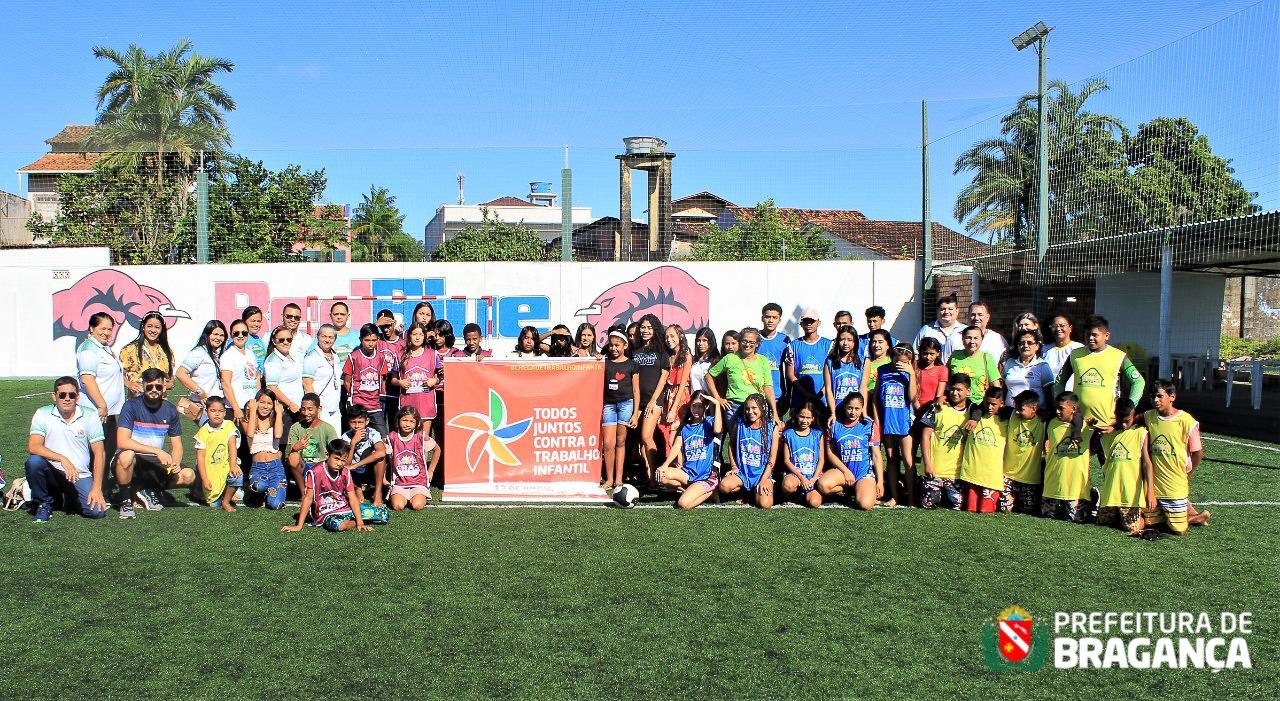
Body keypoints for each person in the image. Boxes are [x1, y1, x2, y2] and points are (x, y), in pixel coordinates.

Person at [25, 376, 109, 522]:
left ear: (78, 397)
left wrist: (96, 488)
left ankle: (68, 497)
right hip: (53, 471)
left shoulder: (90, 415)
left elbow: (99, 453)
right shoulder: (42, 414)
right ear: (54, 396)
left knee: (97, 512)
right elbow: (34, 446)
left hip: (80, 475)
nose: (67, 399)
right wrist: (62, 459)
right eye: (62, 395)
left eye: (71, 395)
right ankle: (44, 503)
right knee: (34, 462)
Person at [114, 368, 195, 518]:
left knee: (188, 475)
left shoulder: (170, 410)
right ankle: (126, 499)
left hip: (153, 462)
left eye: (158, 386)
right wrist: (156, 451)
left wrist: (175, 463)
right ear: (143, 385)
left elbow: (177, 445)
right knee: (127, 456)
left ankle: (145, 488)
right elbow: (122, 441)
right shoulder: (131, 406)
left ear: (164, 387)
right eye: (149, 386)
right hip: (133, 458)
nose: (154, 390)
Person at [1054, 315, 1146, 427]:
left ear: (1106, 336)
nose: (1090, 338)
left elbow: (1139, 382)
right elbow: (1059, 382)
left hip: (1107, 422)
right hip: (1079, 423)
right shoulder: (1075, 355)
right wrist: (1063, 405)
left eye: (1094, 335)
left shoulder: (1119, 356)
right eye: (1088, 335)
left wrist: (1130, 406)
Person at [1140, 380, 1206, 535]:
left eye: (1159, 396)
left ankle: (1195, 517)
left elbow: (1198, 453)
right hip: (1153, 486)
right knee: (1150, 524)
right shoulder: (1149, 416)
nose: (1155, 400)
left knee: (1178, 531)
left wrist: (1186, 475)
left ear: (1172, 397)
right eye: (1152, 397)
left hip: (1174, 485)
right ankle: (1185, 511)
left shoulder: (1186, 421)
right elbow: (1130, 420)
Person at [281, 440, 389, 533]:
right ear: (327, 455)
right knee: (338, 525)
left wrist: (361, 523)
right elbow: (308, 498)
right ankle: (354, 521)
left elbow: (352, 497)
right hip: (327, 512)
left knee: (384, 515)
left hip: (345, 508)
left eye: (343, 460)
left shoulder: (345, 472)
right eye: (336, 459)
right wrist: (299, 525)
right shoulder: (315, 472)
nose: (339, 463)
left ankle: (358, 519)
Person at [655, 391, 723, 509]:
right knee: (661, 475)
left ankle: (711, 491)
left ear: (706, 407)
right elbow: (676, 447)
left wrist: (716, 404)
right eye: (694, 406)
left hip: (706, 475)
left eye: (700, 406)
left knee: (683, 504)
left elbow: (717, 430)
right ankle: (691, 489)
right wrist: (665, 465)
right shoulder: (686, 427)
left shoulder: (710, 422)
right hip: (688, 473)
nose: (696, 409)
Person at [1096, 399, 1154, 535]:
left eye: (1127, 421)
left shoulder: (1140, 433)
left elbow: (1147, 463)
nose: (1123, 424)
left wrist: (1150, 491)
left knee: (1132, 528)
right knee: (1102, 523)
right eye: (1120, 420)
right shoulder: (1107, 436)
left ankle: (1143, 516)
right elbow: (1098, 454)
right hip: (1111, 491)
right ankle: (1096, 498)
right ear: (1115, 414)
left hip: (1130, 494)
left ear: (1134, 415)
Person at [817, 392, 882, 510]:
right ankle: (846, 489)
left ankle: (859, 488)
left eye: (857, 408)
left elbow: (876, 455)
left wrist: (880, 482)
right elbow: (829, 453)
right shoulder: (834, 425)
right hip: (842, 471)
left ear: (862, 408)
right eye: (850, 408)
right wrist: (846, 471)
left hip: (863, 473)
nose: (853, 412)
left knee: (865, 505)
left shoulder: (870, 425)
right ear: (845, 407)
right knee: (823, 486)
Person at [76, 311, 125, 460]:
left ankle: (101, 482)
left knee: (108, 450)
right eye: (102, 328)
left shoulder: (103, 348)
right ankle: (96, 483)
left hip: (107, 412)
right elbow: (87, 379)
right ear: (92, 328)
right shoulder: (88, 350)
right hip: (97, 412)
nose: (106, 333)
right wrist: (102, 405)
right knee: (99, 454)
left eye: (109, 329)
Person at [919, 374, 971, 510]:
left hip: (956, 473)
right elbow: (924, 437)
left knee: (959, 505)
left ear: (968, 391)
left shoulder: (972, 412)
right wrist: (927, 463)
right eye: (952, 389)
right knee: (928, 505)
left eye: (959, 390)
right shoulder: (938, 408)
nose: (955, 393)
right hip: (934, 470)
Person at [1041, 392, 1096, 523]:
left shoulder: (1088, 427)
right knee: (1047, 517)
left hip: (1076, 489)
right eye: (1056, 408)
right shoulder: (1051, 423)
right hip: (1052, 487)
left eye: (1061, 408)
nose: (1057, 411)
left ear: (1074, 409)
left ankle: (1093, 497)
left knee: (1075, 520)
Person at [717, 393, 778, 509]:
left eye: (754, 408)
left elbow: (772, 458)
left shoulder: (772, 427)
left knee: (765, 504)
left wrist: (764, 479)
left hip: (762, 474)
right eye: (747, 409)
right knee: (724, 486)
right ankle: (745, 490)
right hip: (743, 473)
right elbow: (731, 444)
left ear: (763, 408)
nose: (750, 412)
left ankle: (753, 492)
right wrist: (734, 467)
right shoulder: (740, 423)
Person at [875, 343, 918, 507]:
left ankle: (912, 497)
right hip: (887, 420)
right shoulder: (883, 370)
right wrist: (878, 419)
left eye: (904, 362)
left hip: (904, 422)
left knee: (908, 460)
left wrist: (911, 375)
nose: (899, 365)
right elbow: (876, 398)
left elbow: (912, 397)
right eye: (897, 361)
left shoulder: (910, 373)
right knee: (892, 459)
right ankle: (894, 496)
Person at [707, 327, 779, 422]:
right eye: (744, 341)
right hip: (734, 408)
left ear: (757, 344)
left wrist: (775, 413)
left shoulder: (763, 361)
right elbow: (708, 376)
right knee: (735, 436)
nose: (747, 345)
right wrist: (718, 398)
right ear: (740, 342)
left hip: (757, 407)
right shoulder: (730, 358)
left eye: (751, 342)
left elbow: (768, 387)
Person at [956, 387, 1008, 514]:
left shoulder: (1007, 418)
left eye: (994, 404)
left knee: (986, 510)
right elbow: (973, 406)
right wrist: (975, 417)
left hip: (992, 475)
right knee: (970, 509)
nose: (990, 407)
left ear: (1002, 404)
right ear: (983, 400)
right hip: (972, 473)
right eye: (987, 403)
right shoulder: (974, 413)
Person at [631, 314, 671, 477]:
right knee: (642, 439)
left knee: (647, 436)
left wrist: (653, 400)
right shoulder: (635, 351)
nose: (645, 330)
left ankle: (655, 475)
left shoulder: (661, 351)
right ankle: (649, 478)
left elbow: (663, 377)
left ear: (655, 330)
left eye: (649, 327)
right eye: (642, 327)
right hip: (638, 402)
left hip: (653, 401)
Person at [601, 331, 640, 490]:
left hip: (626, 404)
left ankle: (618, 479)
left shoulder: (632, 365)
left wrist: (636, 413)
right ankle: (609, 480)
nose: (614, 348)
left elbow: (636, 390)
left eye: (617, 345)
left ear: (625, 346)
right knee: (608, 443)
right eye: (611, 345)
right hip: (609, 405)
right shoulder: (604, 362)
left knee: (621, 441)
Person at [344, 323, 396, 438]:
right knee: (358, 437)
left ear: (378, 339)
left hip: (374, 405)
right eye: (367, 340)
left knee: (383, 438)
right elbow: (347, 382)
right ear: (361, 339)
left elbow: (381, 378)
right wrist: (354, 397)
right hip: (357, 404)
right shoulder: (354, 357)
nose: (371, 343)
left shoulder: (381, 357)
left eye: (373, 340)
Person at [1000, 390, 1045, 515]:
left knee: (1028, 509)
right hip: (1007, 475)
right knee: (1005, 509)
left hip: (1029, 479)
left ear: (1034, 409)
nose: (1017, 412)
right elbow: (989, 405)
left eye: (1021, 409)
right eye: (1016, 408)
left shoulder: (1043, 422)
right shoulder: (1010, 414)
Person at [194, 396, 241, 511]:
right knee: (213, 504)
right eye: (213, 411)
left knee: (237, 477)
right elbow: (200, 457)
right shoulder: (203, 432)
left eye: (220, 411)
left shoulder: (229, 425)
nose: (217, 414)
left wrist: (233, 465)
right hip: (212, 470)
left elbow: (232, 447)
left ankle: (226, 501)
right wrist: (205, 479)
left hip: (226, 465)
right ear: (206, 412)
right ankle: (203, 491)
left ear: (225, 412)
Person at [394, 322, 441, 440]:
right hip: (408, 404)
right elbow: (393, 379)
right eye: (415, 334)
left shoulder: (432, 354)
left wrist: (434, 381)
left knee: (424, 439)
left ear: (425, 336)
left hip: (426, 404)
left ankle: (423, 459)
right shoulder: (400, 355)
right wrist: (400, 382)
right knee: (408, 439)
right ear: (409, 335)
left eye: (421, 334)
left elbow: (440, 377)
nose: (417, 337)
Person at [387, 406, 439, 510]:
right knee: (398, 506)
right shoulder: (392, 437)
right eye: (404, 420)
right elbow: (383, 455)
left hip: (419, 481)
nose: (407, 424)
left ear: (417, 423)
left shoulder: (421, 436)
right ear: (398, 420)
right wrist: (386, 477)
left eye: (411, 421)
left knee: (417, 505)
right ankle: (399, 493)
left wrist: (431, 471)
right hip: (400, 481)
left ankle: (419, 493)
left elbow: (437, 450)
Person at [175, 320, 227, 424]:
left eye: (222, 335)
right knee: (211, 435)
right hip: (203, 404)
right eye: (215, 334)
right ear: (207, 334)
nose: (218, 338)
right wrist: (200, 392)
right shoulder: (199, 352)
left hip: (218, 404)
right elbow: (180, 373)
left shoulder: (217, 353)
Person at [285, 393, 340, 490]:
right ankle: (303, 493)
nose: (306, 413)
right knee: (293, 457)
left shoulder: (328, 428)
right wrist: (295, 448)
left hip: (322, 467)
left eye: (310, 409)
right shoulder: (296, 427)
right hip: (304, 467)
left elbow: (337, 451)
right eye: (303, 409)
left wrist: (330, 454)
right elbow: (288, 455)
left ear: (319, 409)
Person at [243, 390, 286, 510]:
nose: (265, 406)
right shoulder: (247, 419)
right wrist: (252, 410)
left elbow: (277, 435)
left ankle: (271, 491)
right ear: (256, 403)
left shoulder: (276, 420)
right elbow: (250, 434)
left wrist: (278, 414)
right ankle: (260, 493)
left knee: (275, 505)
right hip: (258, 467)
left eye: (269, 403)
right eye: (262, 402)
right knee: (259, 486)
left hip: (276, 467)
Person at [263, 325, 305, 449]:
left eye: (289, 339)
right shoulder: (272, 361)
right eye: (281, 340)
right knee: (285, 446)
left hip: (297, 409)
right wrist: (289, 403)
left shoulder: (294, 355)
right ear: (274, 341)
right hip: (285, 410)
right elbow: (271, 387)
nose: (285, 342)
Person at [786, 308, 834, 416]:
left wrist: (821, 393)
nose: (809, 324)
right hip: (799, 401)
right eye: (806, 321)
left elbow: (832, 373)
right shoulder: (792, 346)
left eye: (812, 321)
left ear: (819, 323)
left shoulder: (829, 345)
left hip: (823, 400)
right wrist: (806, 394)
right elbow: (790, 374)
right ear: (801, 323)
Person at [778, 401, 825, 508]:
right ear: (796, 416)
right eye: (802, 417)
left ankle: (807, 494)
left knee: (815, 503)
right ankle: (792, 495)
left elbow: (821, 460)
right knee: (788, 486)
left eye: (808, 417)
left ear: (813, 418)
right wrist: (801, 477)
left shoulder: (818, 435)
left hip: (812, 476)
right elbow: (786, 460)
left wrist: (813, 479)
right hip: (795, 475)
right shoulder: (789, 434)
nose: (804, 420)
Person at [118, 310, 175, 399]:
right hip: (138, 402)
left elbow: (171, 380)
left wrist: (166, 385)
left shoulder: (166, 351)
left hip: (161, 404)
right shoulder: (130, 350)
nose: (153, 330)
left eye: (157, 327)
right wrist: (129, 384)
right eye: (149, 326)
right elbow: (119, 374)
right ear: (143, 327)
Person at [341, 405, 388, 506]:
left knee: (381, 459)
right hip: (352, 472)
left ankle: (378, 492)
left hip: (367, 469)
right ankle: (357, 488)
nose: (357, 426)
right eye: (353, 422)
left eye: (360, 422)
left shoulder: (372, 433)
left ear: (367, 421)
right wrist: (353, 443)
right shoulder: (346, 436)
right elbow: (346, 463)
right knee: (342, 467)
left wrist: (357, 465)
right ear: (348, 421)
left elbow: (381, 452)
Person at [302, 324, 343, 434]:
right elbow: (307, 384)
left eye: (331, 337)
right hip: (321, 408)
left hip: (334, 408)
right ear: (318, 337)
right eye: (324, 336)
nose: (327, 340)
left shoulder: (335, 356)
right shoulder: (312, 357)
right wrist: (314, 409)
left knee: (335, 442)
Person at [658, 324, 693, 452]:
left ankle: (678, 468)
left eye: (672, 336)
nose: (669, 339)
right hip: (668, 396)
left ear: (681, 336)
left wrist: (673, 409)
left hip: (680, 398)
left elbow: (683, 384)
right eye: (666, 337)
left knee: (674, 437)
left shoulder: (686, 356)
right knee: (666, 435)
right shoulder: (666, 356)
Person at [946, 326, 1002, 404]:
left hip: (979, 404)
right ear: (962, 339)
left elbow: (996, 386)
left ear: (981, 340)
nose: (972, 341)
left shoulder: (987, 358)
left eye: (976, 338)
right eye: (968, 337)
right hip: (956, 402)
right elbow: (945, 376)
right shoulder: (955, 355)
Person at [220, 319, 261, 424]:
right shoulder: (228, 356)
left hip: (252, 407)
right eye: (236, 333)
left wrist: (257, 402)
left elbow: (256, 378)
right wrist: (236, 408)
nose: (240, 336)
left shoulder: (251, 354)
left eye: (244, 333)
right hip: (236, 409)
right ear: (231, 335)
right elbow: (225, 383)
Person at [1002, 329, 1055, 405]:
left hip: (1035, 413)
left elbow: (1049, 393)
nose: (1025, 346)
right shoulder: (1010, 363)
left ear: (1037, 346)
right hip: (1010, 411)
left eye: (1030, 343)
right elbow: (1004, 388)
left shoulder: (1042, 366)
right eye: (1021, 343)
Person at [756, 303, 791, 415]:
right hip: (755, 393)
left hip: (777, 394)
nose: (770, 320)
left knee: (775, 430)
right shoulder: (754, 338)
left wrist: (788, 395)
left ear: (779, 320)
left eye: (774, 317)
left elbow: (789, 369)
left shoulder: (784, 340)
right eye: (767, 317)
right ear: (762, 318)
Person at [822, 325, 862, 417]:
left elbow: (863, 388)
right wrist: (833, 413)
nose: (845, 343)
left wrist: (862, 412)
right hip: (837, 410)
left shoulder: (863, 361)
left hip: (855, 413)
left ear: (855, 342)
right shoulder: (829, 362)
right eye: (842, 339)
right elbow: (829, 389)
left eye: (849, 340)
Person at [913, 294, 965, 362]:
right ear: (937, 311)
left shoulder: (965, 331)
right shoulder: (926, 330)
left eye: (950, 309)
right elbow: (915, 353)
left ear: (957, 311)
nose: (946, 312)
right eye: (943, 309)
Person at [1040, 313, 1084, 381]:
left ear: (1070, 328)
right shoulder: (1045, 349)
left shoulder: (1078, 348)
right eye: (1055, 326)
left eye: (1062, 325)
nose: (1058, 329)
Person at [858, 329, 893, 406]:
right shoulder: (865, 362)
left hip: (886, 402)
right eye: (873, 342)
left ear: (888, 345)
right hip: (867, 402)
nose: (876, 345)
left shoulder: (892, 361)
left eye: (880, 342)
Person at [234, 306, 269, 374]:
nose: (256, 324)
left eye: (258, 321)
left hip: (260, 380)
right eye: (253, 321)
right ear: (244, 321)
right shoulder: (238, 339)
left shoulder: (259, 339)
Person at [689, 327, 720, 395]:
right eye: (698, 340)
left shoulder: (716, 361)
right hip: (694, 401)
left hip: (711, 401)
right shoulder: (693, 360)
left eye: (704, 340)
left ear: (711, 341)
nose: (700, 343)